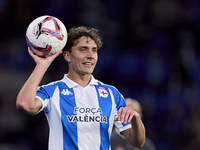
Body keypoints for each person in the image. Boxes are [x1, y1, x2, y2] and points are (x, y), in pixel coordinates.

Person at [16, 26, 145, 150]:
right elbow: (24, 104)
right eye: (83, 49)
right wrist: (42, 65)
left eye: (94, 50)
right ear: (67, 56)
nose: (90, 55)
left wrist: (136, 119)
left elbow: (138, 142)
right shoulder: (53, 90)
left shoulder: (111, 94)